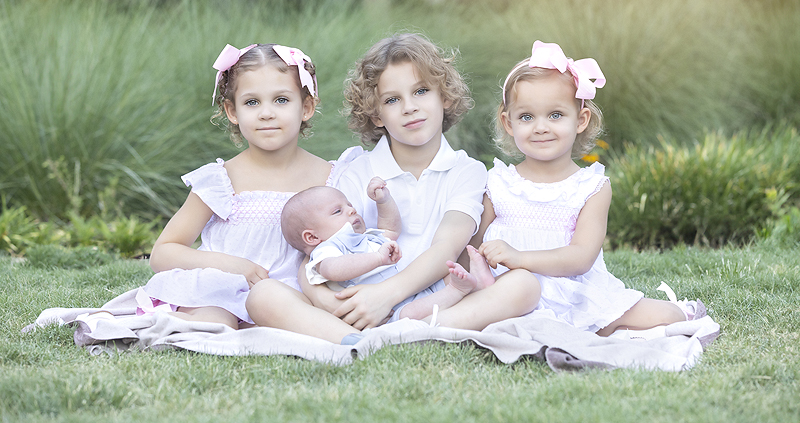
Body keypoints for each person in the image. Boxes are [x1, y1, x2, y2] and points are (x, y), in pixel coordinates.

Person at [246, 33, 540, 342]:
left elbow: (447, 246)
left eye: (421, 91)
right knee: (263, 295)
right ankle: (355, 341)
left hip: (432, 300)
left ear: (445, 97)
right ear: (376, 115)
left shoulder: (467, 171)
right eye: (392, 100)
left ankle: (411, 333)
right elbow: (318, 253)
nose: (409, 107)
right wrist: (328, 301)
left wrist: (387, 295)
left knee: (523, 285)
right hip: (359, 301)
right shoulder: (358, 171)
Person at [471, 40, 705, 337]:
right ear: (508, 123)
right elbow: (473, 247)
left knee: (666, 317)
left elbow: (581, 257)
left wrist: (520, 258)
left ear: (581, 120)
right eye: (526, 117)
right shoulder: (498, 183)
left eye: (555, 115)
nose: (541, 127)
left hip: (574, 293)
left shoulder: (590, 187)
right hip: (508, 294)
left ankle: (663, 313)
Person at [142, 43, 339, 329]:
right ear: (232, 111)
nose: (266, 113)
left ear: (306, 107)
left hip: (289, 298)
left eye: (281, 100)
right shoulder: (221, 181)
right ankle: (172, 324)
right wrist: (234, 266)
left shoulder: (331, 178)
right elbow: (163, 252)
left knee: (284, 317)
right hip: (219, 293)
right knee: (215, 324)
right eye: (252, 102)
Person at [281, 179, 485, 321]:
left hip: (409, 289)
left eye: (349, 205)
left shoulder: (366, 237)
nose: (351, 210)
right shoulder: (327, 249)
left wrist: (383, 201)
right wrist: (377, 258)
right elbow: (333, 269)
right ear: (312, 237)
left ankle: (477, 285)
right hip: (387, 311)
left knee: (446, 276)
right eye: (337, 211)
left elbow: (390, 229)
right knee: (411, 314)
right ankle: (458, 291)